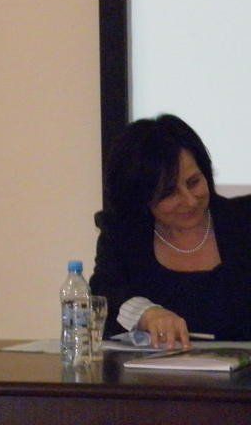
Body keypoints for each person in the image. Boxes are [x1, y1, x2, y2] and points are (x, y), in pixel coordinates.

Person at [90, 114, 251, 349]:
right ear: (140, 198)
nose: (190, 200)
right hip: (154, 373)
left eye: (194, 182)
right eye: (169, 193)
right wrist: (146, 314)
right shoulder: (122, 235)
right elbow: (104, 293)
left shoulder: (244, 220)